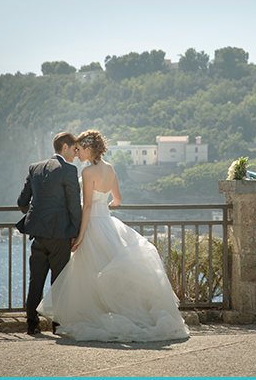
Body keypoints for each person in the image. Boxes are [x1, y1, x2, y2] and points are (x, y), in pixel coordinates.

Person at [36, 130, 189, 342]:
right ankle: (118, 314)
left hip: (92, 226)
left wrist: (80, 236)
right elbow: (117, 198)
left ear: (88, 149)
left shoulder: (88, 173)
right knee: (110, 272)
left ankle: (97, 315)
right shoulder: (110, 169)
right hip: (108, 223)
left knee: (91, 272)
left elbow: (87, 206)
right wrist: (106, 206)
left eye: (79, 150)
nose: (77, 154)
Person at [16, 132, 82, 335]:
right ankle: (57, 324)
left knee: (36, 280)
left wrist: (37, 216)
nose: (75, 153)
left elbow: (22, 203)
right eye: (74, 149)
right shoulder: (69, 170)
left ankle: (31, 324)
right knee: (59, 281)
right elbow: (74, 206)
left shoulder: (34, 168)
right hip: (60, 235)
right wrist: (77, 233)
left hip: (38, 234)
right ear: (65, 147)